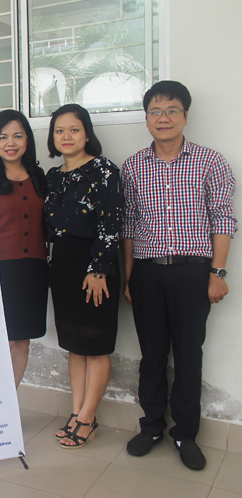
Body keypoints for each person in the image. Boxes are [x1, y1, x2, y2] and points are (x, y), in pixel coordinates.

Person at [122, 81, 237, 470]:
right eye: (155, 112)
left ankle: (185, 433)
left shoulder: (210, 161)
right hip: (148, 273)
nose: (163, 118)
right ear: (146, 119)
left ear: (185, 115)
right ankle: (152, 426)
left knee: (188, 355)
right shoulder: (133, 166)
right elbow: (129, 226)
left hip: (193, 273)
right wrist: (129, 277)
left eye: (171, 110)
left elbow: (223, 218)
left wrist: (217, 272)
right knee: (152, 355)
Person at [44, 104, 123, 449]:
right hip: (62, 266)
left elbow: (112, 223)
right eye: (59, 130)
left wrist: (99, 268)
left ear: (87, 134)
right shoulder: (52, 176)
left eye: (74, 129)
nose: (67, 136)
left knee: (95, 346)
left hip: (94, 267)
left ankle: (89, 418)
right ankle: (76, 412)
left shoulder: (103, 170)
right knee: (74, 346)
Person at [0, 110, 48, 387]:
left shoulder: (39, 177)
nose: (10, 143)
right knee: (0, 340)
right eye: (3, 137)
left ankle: (9, 404)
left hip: (33, 270)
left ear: (27, 140)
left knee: (22, 340)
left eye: (17, 136)